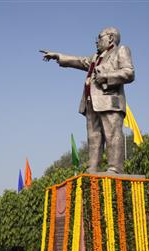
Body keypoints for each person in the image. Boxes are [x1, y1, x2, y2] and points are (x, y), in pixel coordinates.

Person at [41, 27, 134, 174]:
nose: (96, 41)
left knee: (112, 134)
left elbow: (129, 73)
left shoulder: (120, 50)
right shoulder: (95, 58)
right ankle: (93, 167)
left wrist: (106, 77)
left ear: (110, 38)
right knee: (93, 136)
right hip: (91, 103)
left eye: (99, 37)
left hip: (110, 101)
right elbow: (78, 61)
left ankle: (115, 168)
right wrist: (58, 56)